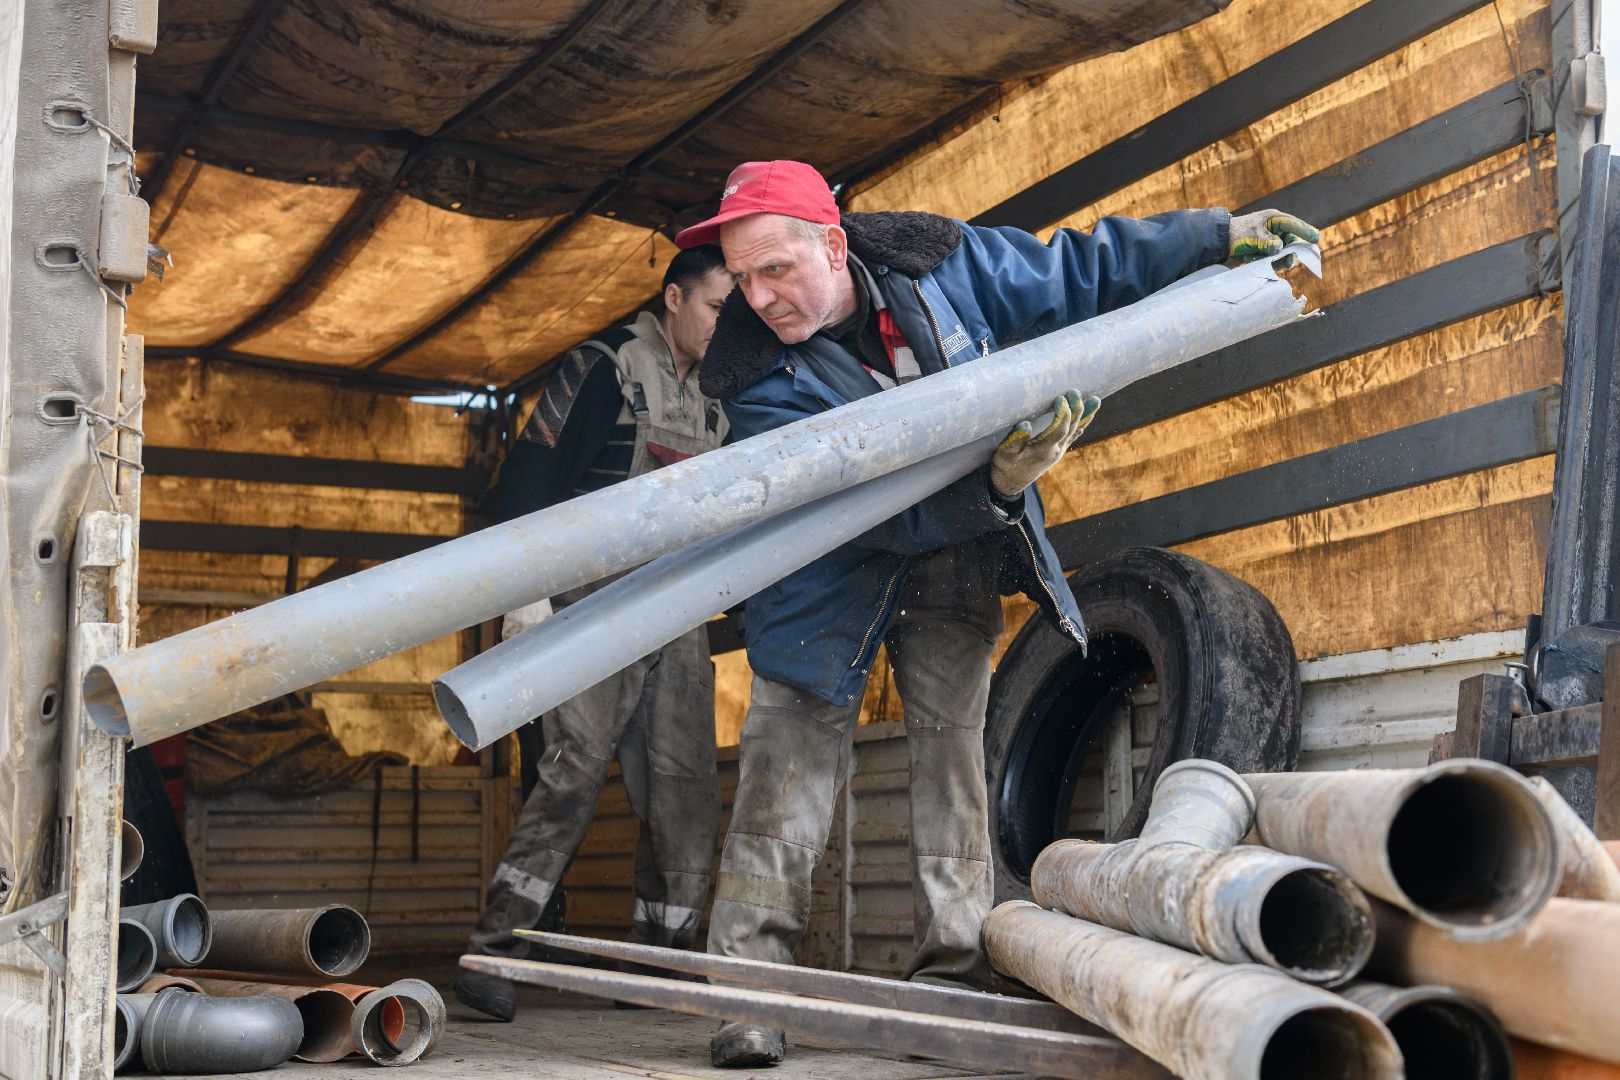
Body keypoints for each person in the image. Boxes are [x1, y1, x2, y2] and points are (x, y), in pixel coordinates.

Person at [677, 160, 1319, 1067]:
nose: (759, 296)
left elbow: (1074, 272)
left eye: (775, 270)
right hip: (821, 573)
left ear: (834, 243)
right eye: (741, 278)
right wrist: (1000, 484)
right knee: (787, 767)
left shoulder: (941, 264)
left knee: (953, 767)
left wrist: (1214, 237)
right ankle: (750, 993)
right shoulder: (751, 377)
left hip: (955, 555)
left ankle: (952, 982)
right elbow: (869, 506)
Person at [454, 244, 735, 1022]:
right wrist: (528, 591)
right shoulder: (605, 366)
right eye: (717, 305)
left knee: (684, 788)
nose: (726, 322)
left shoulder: (720, 395)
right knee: (573, 772)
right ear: (674, 297)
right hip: (589, 600)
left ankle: (658, 963)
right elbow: (533, 473)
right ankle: (494, 950)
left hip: (675, 607)